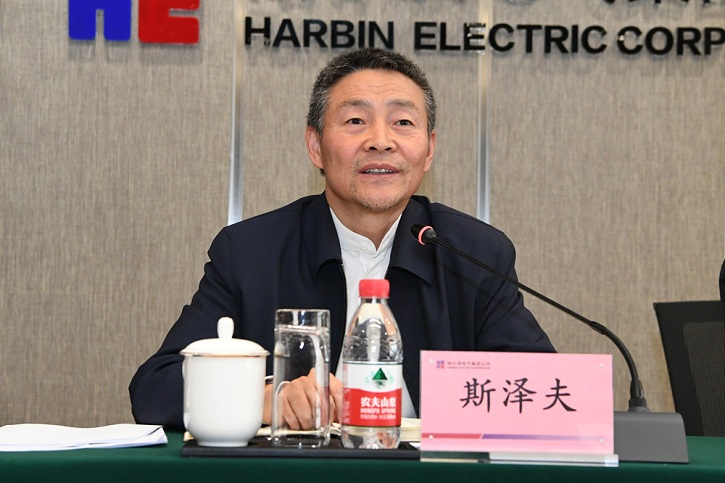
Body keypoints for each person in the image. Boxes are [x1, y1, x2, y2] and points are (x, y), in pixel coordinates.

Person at [129, 48, 555, 431]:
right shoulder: (250, 251)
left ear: (428, 150)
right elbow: (154, 387)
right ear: (315, 146)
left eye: (403, 122)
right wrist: (263, 398)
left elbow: (542, 393)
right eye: (355, 121)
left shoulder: (474, 252)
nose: (380, 141)